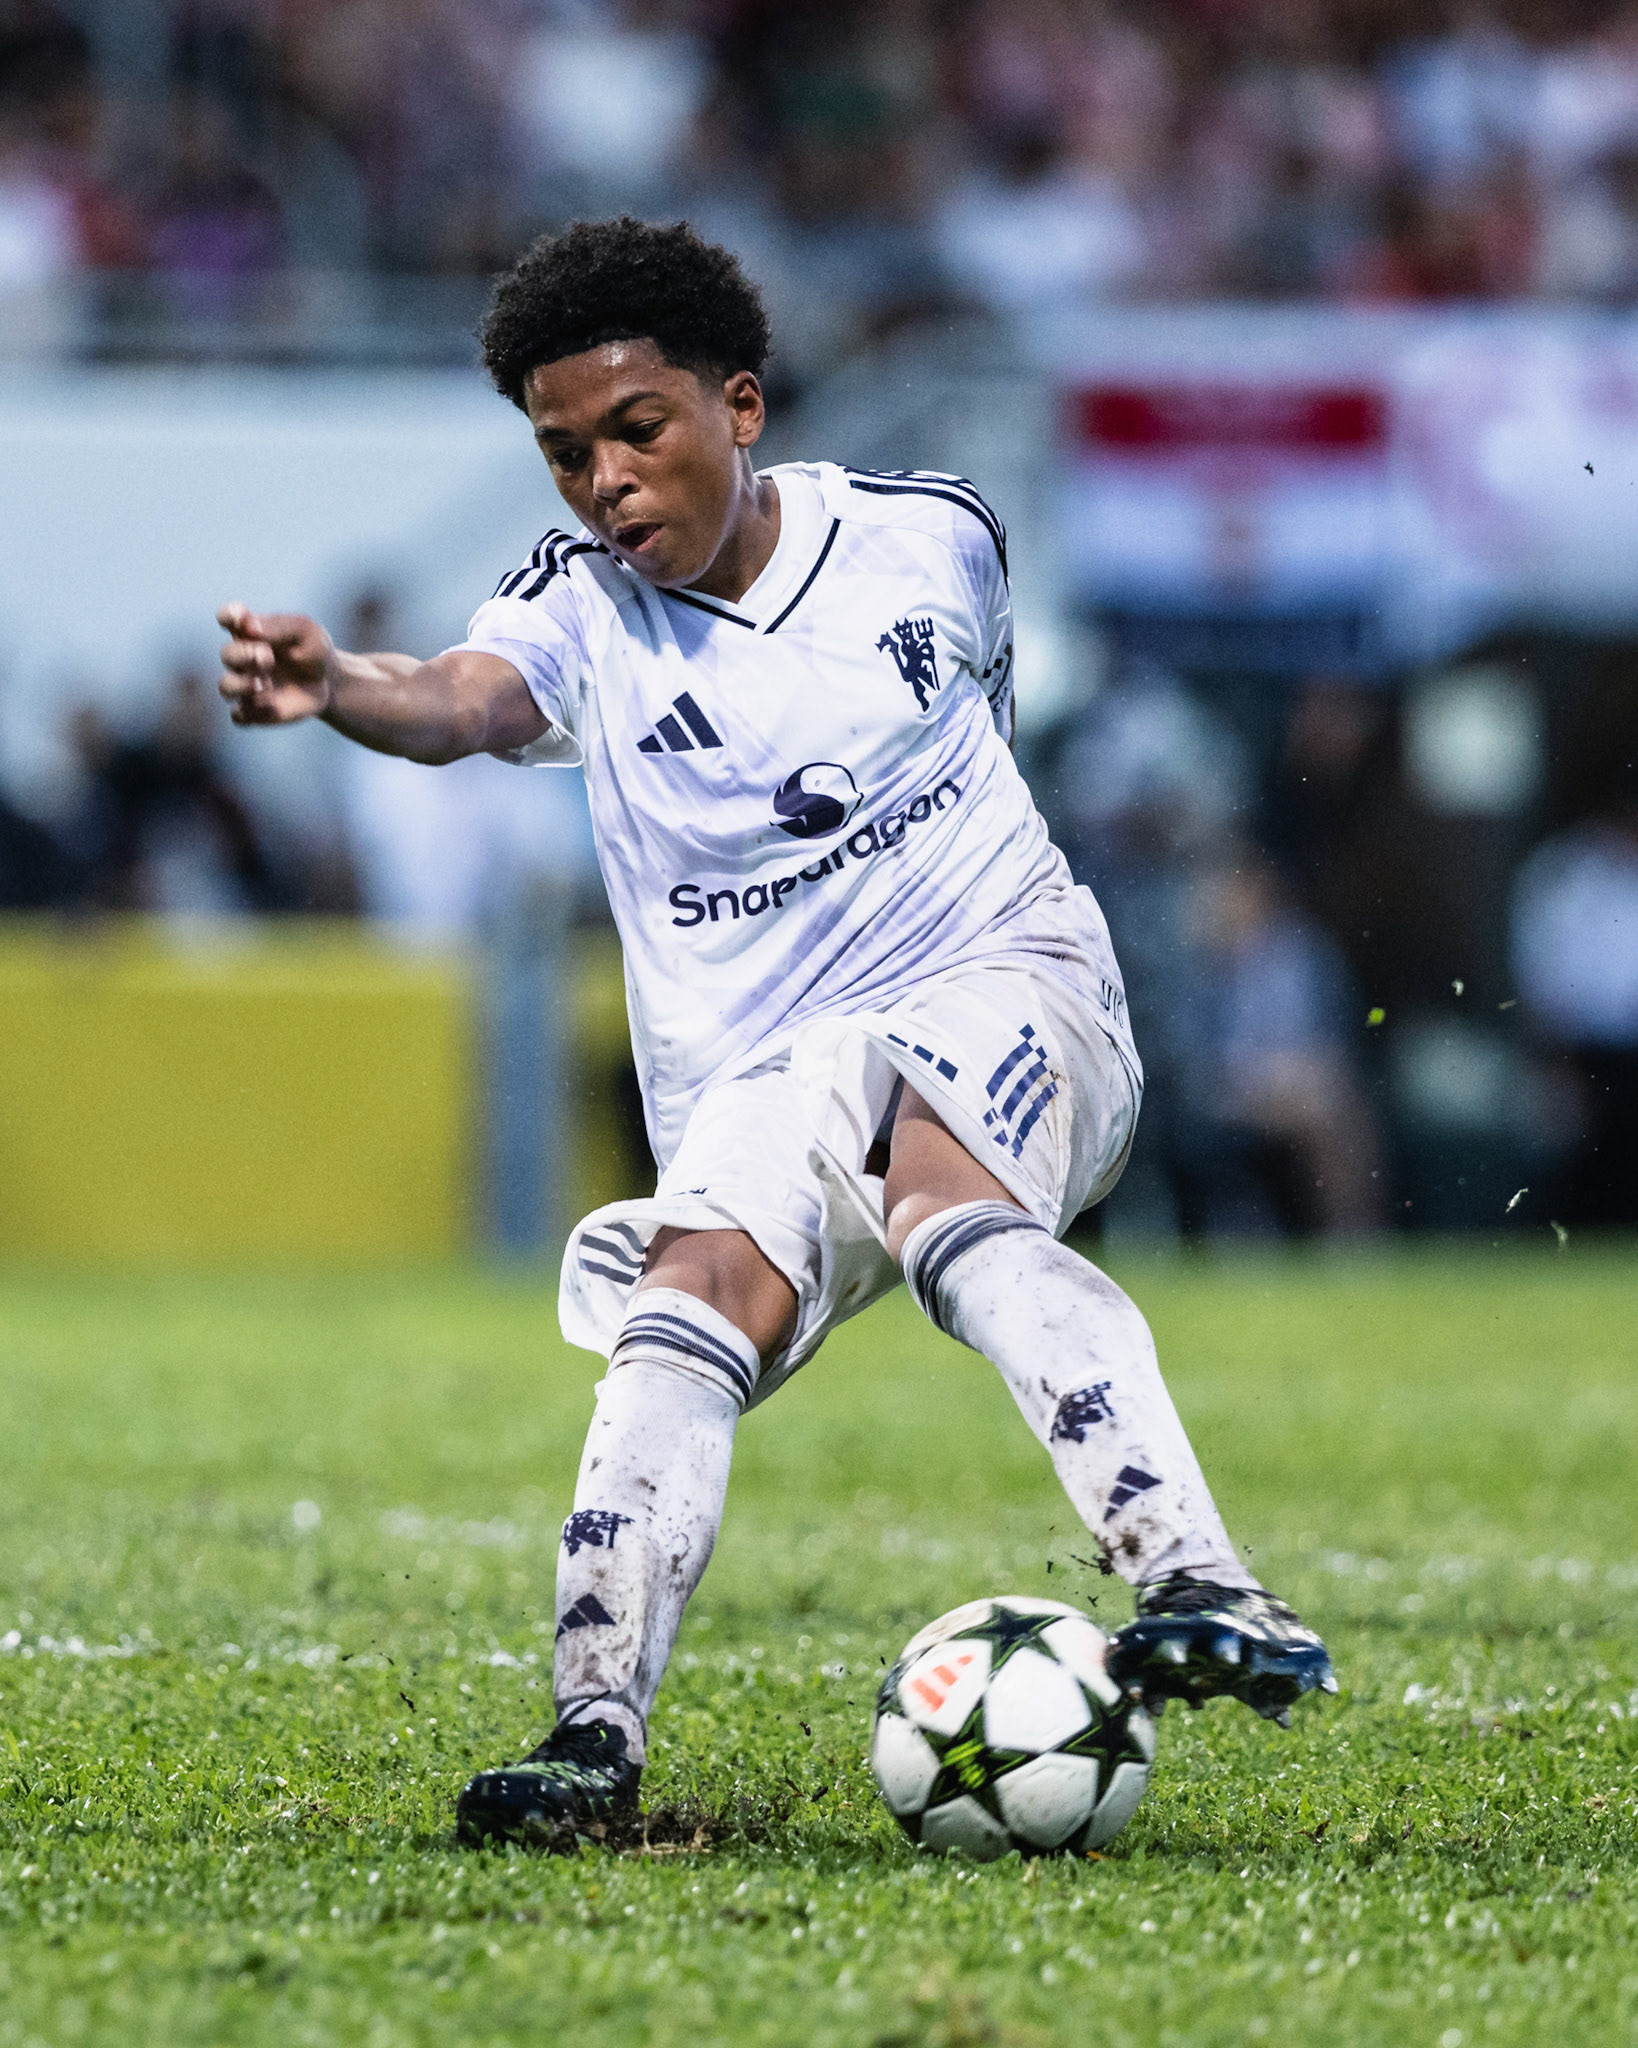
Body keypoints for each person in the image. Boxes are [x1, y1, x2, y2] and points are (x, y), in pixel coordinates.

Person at [216, 217, 1334, 1849]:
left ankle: (1203, 1583)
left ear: (740, 407)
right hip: (763, 1066)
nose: (603, 482)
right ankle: (590, 1734)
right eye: (563, 453)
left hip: (1005, 971)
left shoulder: (929, 538)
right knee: (685, 1313)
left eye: (637, 430)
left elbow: (993, 733)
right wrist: (341, 685)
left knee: (939, 1186)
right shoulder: (582, 615)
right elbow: (461, 700)